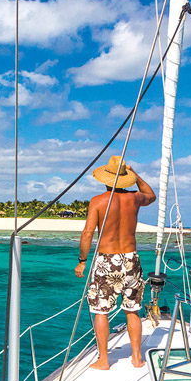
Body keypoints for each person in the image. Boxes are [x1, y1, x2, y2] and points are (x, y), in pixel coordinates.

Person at [74, 155, 156, 370]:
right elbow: (151, 195)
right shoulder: (135, 199)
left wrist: (82, 261)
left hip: (106, 260)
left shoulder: (98, 201)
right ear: (124, 179)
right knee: (133, 310)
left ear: (106, 178)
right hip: (130, 259)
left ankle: (104, 360)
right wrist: (135, 174)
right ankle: (137, 357)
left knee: (101, 311)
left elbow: (87, 233)